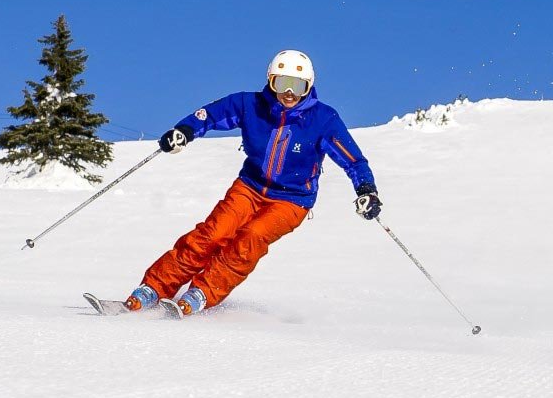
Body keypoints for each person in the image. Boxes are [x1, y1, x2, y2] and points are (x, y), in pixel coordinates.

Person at [119, 49, 381, 317]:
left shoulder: (324, 119)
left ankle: (203, 292)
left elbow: (353, 160)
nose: (289, 93)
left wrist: (366, 190)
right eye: (282, 83)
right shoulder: (250, 105)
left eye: (298, 86)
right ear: (270, 80)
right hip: (249, 187)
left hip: (292, 201)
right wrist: (183, 131)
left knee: (250, 239)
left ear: (309, 87)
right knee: (213, 233)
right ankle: (155, 286)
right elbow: (209, 115)